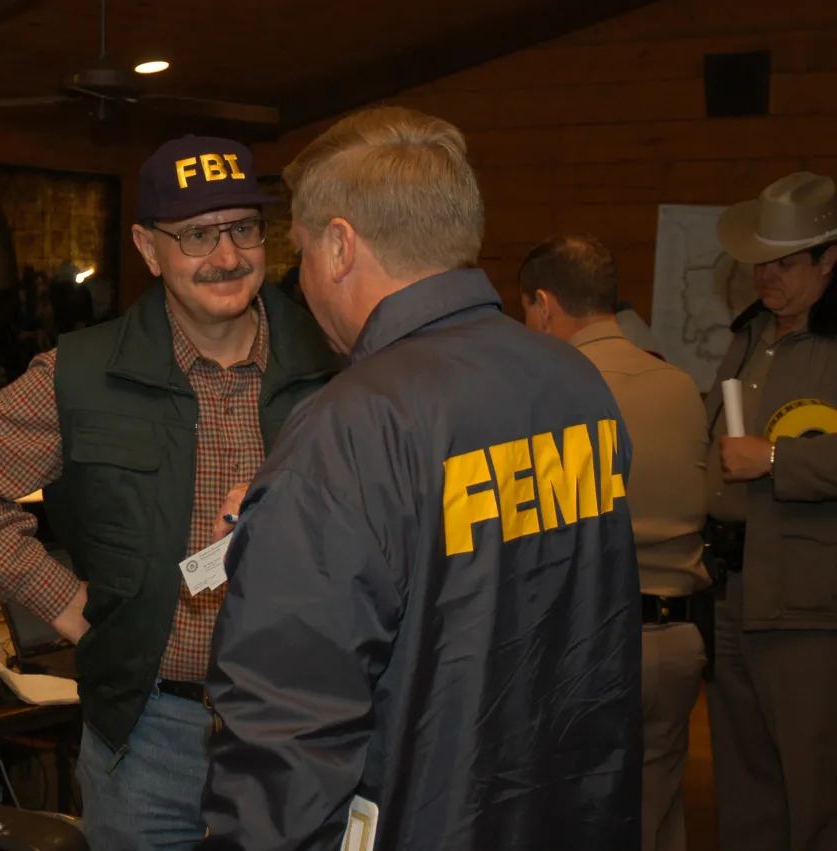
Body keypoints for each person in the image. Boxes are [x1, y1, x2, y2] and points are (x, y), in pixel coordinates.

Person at [198, 106, 642, 851]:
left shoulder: (349, 428)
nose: (300, 280)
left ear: (339, 247)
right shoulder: (575, 380)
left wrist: (301, 517)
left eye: (301, 253)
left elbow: (287, 737)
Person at [0, 135, 339, 850]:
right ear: (147, 247)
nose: (227, 256)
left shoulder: (338, 365)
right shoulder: (82, 374)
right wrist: (69, 607)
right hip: (145, 736)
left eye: (243, 228)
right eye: (197, 234)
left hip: (299, 733)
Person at [520, 233, 709, 851]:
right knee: (656, 813)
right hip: (678, 641)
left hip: (593, 644)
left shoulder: (554, 391)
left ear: (544, 306)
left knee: (578, 821)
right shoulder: (680, 385)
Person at [702, 171, 837, 851]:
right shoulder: (750, 335)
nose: (767, 276)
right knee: (746, 786)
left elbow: (766, 456)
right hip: (734, 591)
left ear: (828, 259)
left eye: (785, 262)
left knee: (814, 791)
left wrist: (780, 462)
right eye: (760, 260)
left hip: (809, 605)